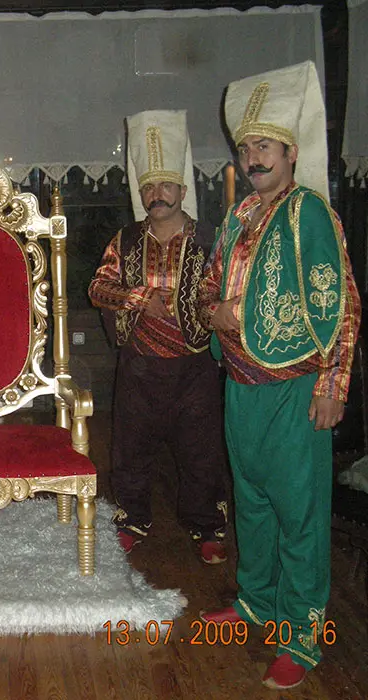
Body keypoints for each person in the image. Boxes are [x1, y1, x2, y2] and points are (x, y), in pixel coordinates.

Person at [199, 61, 360, 690]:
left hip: (295, 391)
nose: (254, 157)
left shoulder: (310, 212)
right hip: (240, 388)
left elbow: (341, 303)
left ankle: (303, 636)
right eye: (246, 148)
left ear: (291, 152)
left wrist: (332, 385)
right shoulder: (239, 215)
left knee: (300, 515)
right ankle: (256, 602)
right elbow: (212, 286)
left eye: (265, 146)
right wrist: (215, 312)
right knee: (254, 505)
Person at [89, 110, 229, 563]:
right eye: (149, 187)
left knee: (201, 452)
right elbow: (97, 288)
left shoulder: (210, 239)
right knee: (130, 449)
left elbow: (227, 293)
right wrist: (139, 298)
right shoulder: (127, 240)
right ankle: (131, 518)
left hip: (195, 367)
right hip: (140, 365)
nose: (156, 195)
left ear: (183, 191)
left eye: (166, 186)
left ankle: (206, 525)